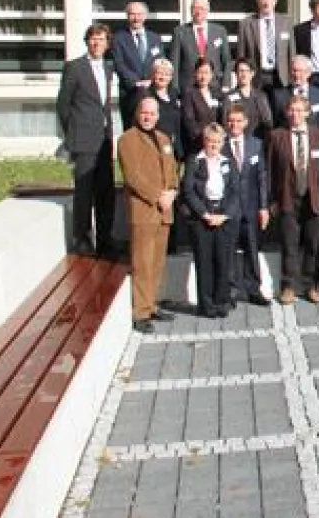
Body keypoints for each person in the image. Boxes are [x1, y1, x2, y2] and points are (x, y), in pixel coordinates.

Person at [117, 97, 179, 333]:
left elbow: (173, 169)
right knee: (142, 263)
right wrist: (157, 196)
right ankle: (140, 312)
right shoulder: (127, 140)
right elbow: (132, 176)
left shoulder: (164, 139)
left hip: (164, 210)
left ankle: (152, 304)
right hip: (144, 210)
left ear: (158, 116)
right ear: (137, 113)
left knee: (157, 262)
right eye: (145, 112)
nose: (148, 117)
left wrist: (172, 191)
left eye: (152, 113)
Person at [56, 23, 117, 257]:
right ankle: (81, 238)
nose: (97, 43)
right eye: (93, 39)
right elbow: (63, 105)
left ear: (107, 43)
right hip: (83, 138)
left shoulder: (108, 68)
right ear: (87, 41)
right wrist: (73, 133)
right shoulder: (74, 67)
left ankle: (105, 239)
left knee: (105, 191)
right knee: (84, 190)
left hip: (104, 139)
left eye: (101, 39)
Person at [267, 96, 319, 304]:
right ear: (286, 113)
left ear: (308, 113)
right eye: (292, 110)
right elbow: (270, 171)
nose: (296, 114)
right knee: (289, 245)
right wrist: (272, 200)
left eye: (300, 110)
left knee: (313, 244)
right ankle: (288, 287)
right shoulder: (276, 136)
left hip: (314, 200)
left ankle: (312, 286)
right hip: (287, 198)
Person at [182, 123, 241, 318]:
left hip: (223, 218)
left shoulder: (229, 162)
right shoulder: (194, 161)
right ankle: (206, 305)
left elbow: (235, 191)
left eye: (217, 141)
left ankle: (221, 302)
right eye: (210, 141)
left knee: (223, 262)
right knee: (204, 263)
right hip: (202, 218)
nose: (213, 145)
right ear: (204, 141)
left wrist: (224, 215)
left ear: (223, 142)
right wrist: (205, 214)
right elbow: (188, 191)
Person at [222, 105, 270, 307]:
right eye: (231, 121)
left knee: (252, 248)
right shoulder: (220, 144)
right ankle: (230, 290)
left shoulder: (256, 144)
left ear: (246, 122)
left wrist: (264, 207)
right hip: (228, 209)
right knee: (229, 250)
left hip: (251, 207)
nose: (234, 124)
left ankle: (253, 289)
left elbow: (261, 177)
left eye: (238, 120)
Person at [113, 1, 164, 129]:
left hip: (152, 91)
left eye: (139, 14)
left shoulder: (155, 38)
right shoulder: (119, 39)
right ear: (127, 16)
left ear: (145, 16)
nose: (136, 18)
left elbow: (160, 63)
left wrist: (152, 80)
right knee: (132, 131)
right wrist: (137, 82)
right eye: (132, 14)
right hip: (130, 93)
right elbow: (119, 65)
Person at [237, 0, 295, 89]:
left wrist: (292, 78)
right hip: (256, 78)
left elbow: (291, 53)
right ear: (258, 1)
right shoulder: (246, 24)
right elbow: (241, 55)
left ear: (275, 1)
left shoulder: (286, 23)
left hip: (281, 78)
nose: (266, 2)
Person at [170, 0, 231, 93]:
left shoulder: (220, 31)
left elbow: (227, 60)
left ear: (208, 10)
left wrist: (226, 84)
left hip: (215, 85)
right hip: (188, 87)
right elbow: (174, 62)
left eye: (202, 8)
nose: (199, 12)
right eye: (195, 8)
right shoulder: (179, 32)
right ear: (190, 10)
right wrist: (175, 89)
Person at [221, 58, 274, 141]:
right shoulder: (229, 97)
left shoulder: (260, 96)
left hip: (258, 141)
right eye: (240, 71)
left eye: (246, 71)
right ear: (236, 74)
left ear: (252, 73)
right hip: (236, 141)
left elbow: (268, 120)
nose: (243, 74)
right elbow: (225, 122)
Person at [182, 58, 222, 157]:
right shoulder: (189, 93)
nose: (203, 76)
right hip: (198, 146)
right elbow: (189, 121)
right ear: (195, 73)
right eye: (200, 72)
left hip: (217, 146)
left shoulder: (217, 93)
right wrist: (206, 140)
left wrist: (218, 140)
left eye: (206, 73)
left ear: (212, 75)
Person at [274, 56, 319, 130]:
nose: (297, 74)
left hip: (313, 137)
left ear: (309, 73)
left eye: (301, 71)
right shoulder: (279, 95)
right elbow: (277, 122)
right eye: (294, 70)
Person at [146, 58, 183, 161]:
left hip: (174, 147)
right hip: (154, 146)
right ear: (153, 74)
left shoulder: (175, 94)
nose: (163, 77)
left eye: (167, 74)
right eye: (159, 73)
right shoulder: (146, 95)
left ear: (171, 77)